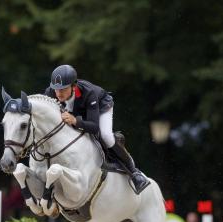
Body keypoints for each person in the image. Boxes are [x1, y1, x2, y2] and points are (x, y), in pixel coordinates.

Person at [44, 64, 150, 193]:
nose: (58, 93)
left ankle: (134, 173)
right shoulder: (50, 93)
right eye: (56, 89)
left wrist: (75, 121)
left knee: (105, 136)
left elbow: (94, 127)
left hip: (101, 106)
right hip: (77, 111)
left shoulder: (89, 93)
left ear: (73, 86)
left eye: (63, 89)